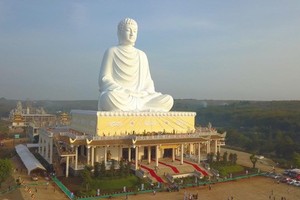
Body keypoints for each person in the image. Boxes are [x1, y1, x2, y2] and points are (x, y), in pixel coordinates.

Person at [98, 18, 173, 112]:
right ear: (120, 32)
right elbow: (104, 79)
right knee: (109, 97)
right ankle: (142, 109)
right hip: (122, 96)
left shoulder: (141, 55)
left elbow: (148, 81)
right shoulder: (112, 51)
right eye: (128, 30)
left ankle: (141, 107)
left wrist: (145, 92)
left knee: (168, 100)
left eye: (135, 31)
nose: (132, 34)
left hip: (142, 97)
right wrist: (124, 90)